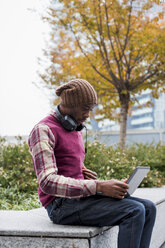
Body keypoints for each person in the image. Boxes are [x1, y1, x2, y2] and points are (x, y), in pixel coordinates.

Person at [28, 79, 156, 248]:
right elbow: (47, 181)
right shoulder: (43, 130)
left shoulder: (75, 127)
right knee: (134, 211)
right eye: (85, 109)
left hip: (79, 198)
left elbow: (68, 164)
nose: (88, 114)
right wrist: (98, 186)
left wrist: (86, 175)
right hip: (60, 205)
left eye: (91, 109)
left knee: (149, 208)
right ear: (71, 105)